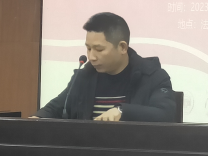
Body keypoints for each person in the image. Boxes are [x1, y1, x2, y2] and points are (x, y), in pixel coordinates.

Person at [32, 12, 176, 122]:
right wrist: (35, 120)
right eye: (88, 48)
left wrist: (122, 111)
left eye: (99, 49)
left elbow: (166, 114)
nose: (91, 57)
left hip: (134, 151)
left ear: (122, 47)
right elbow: (55, 108)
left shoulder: (152, 76)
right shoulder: (84, 77)